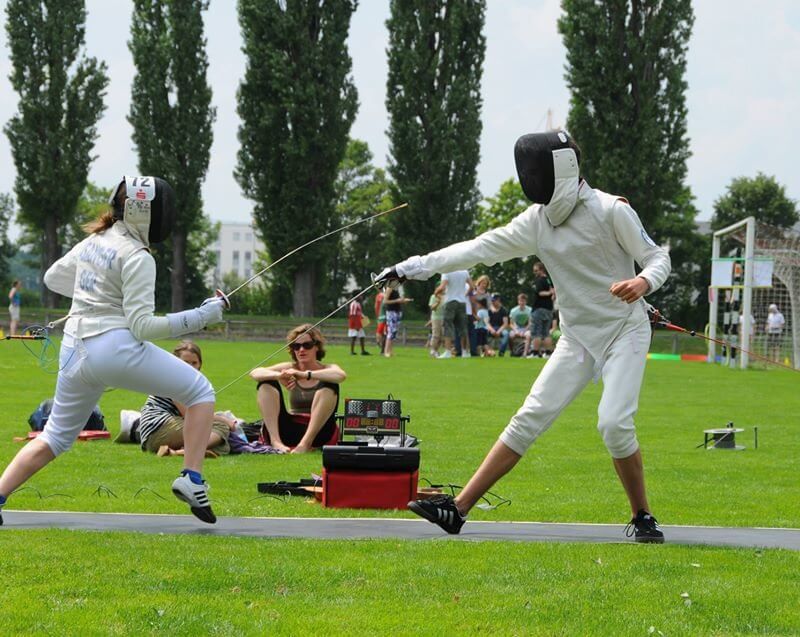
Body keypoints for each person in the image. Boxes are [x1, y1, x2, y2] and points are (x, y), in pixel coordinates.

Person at [379, 130, 671, 543]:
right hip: (576, 337)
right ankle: (457, 510)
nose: (530, 177)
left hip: (625, 329)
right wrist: (410, 267)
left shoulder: (610, 210)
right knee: (528, 417)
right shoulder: (537, 223)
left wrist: (643, 282)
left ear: (561, 168)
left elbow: (658, 255)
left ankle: (642, 515)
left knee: (613, 422)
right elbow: (476, 248)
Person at [0, 176, 227, 525]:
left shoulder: (96, 239)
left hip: (75, 348)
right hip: (113, 347)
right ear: (144, 212)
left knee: (55, 437)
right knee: (200, 391)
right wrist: (201, 316)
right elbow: (142, 327)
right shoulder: (138, 255)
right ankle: (192, 478)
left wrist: (94, 298)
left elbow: (53, 278)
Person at [250, 324, 346, 453]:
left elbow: (340, 376)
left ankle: (305, 444)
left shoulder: (328, 368)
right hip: (291, 429)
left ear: (317, 347)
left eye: (307, 345)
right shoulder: (289, 367)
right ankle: (276, 441)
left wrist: (305, 375)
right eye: (296, 346)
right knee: (265, 384)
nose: (301, 350)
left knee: (330, 384)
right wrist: (279, 376)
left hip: (320, 432)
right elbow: (255, 373)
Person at [137, 341, 236, 457]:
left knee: (221, 439)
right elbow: (189, 413)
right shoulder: (174, 379)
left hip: (155, 434)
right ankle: (188, 451)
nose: (190, 367)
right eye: (186, 362)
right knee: (220, 427)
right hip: (158, 430)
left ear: (200, 364)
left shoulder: (182, 379)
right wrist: (226, 421)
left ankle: (177, 452)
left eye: (194, 363)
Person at [439, 270, 473, 358]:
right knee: (463, 327)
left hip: (450, 301)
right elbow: (472, 286)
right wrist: (464, 294)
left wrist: (436, 292)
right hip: (462, 302)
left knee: (448, 326)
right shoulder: (464, 271)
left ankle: (447, 351)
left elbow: (442, 287)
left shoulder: (447, 271)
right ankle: (465, 352)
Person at [530, 262, 555, 358]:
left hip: (539, 308)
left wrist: (548, 293)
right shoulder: (549, 280)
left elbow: (540, 293)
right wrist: (551, 294)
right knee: (546, 333)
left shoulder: (540, 280)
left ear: (541, 270)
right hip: (549, 309)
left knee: (537, 332)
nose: (534, 272)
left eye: (536, 270)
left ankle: (535, 353)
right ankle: (547, 353)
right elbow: (554, 292)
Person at [382, 285, 413, 357]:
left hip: (397, 311)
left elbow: (398, 300)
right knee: (391, 331)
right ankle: (386, 351)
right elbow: (385, 301)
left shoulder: (397, 289)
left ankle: (390, 350)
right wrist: (397, 300)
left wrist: (403, 300)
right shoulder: (390, 288)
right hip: (391, 312)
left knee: (394, 332)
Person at [428, 285, 444, 357]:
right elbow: (432, 308)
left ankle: (436, 350)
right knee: (436, 335)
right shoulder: (433, 297)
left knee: (442, 336)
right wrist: (438, 302)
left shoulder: (445, 296)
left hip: (444, 318)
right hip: (436, 318)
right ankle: (433, 350)